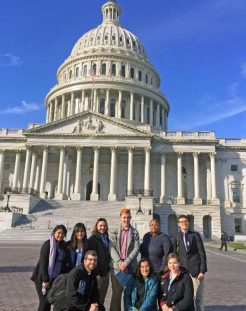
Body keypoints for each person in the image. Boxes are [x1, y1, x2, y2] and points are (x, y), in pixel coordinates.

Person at [31, 224, 72, 311]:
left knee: (49, 301)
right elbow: (43, 263)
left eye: (63, 233)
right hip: (42, 278)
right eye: (59, 233)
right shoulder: (48, 244)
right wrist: (45, 280)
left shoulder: (64, 246)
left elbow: (65, 262)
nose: (60, 235)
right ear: (54, 233)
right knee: (44, 302)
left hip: (55, 279)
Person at [173, 215, 207, 311]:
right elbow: (175, 254)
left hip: (195, 272)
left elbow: (202, 253)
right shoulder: (176, 237)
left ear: (189, 223)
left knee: (197, 298)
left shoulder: (195, 235)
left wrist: (202, 271)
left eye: (186, 221)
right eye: (182, 221)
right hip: (182, 272)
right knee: (184, 297)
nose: (184, 223)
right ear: (178, 224)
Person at [109, 207, 140, 311]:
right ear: (120, 218)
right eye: (124, 217)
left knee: (130, 294)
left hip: (130, 267)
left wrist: (126, 262)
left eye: (128, 217)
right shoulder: (114, 231)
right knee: (116, 295)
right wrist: (119, 262)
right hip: (116, 267)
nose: (126, 220)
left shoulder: (135, 232)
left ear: (131, 218)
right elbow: (111, 247)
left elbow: (136, 248)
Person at [88, 218, 110, 306]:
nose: (102, 228)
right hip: (97, 274)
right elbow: (91, 257)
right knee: (94, 299)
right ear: (96, 226)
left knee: (102, 298)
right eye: (100, 226)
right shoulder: (93, 239)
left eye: (104, 226)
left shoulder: (107, 238)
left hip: (105, 273)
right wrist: (95, 272)